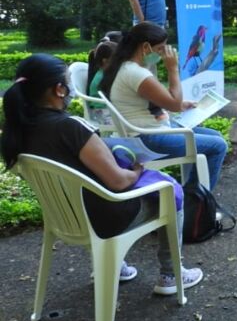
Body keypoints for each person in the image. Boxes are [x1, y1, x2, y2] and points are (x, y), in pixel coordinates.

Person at [2, 53, 202, 294]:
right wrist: (137, 170)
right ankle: (171, 274)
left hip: (64, 217)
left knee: (91, 192)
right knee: (170, 189)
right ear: (59, 89)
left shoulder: (17, 133)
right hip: (106, 217)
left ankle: (116, 267)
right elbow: (117, 181)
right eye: (68, 82)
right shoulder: (70, 128)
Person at [100, 22, 228, 190]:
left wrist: (181, 104)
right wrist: (173, 69)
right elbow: (173, 105)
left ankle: (192, 192)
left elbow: (160, 100)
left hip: (146, 131)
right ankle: (198, 203)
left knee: (215, 135)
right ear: (145, 47)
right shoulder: (136, 73)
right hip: (147, 139)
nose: (163, 54)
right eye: (160, 48)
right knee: (218, 146)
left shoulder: (126, 67)